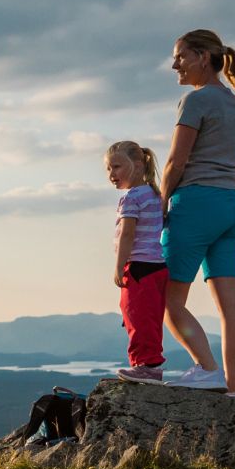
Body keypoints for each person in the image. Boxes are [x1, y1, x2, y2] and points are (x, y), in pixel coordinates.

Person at [160, 29, 235, 395]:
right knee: (232, 307)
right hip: (231, 204)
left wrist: (163, 201)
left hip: (195, 203)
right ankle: (233, 390)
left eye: (180, 56)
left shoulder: (195, 101)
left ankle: (206, 369)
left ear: (202, 57)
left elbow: (175, 160)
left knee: (167, 300)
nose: (175, 65)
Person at [106, 140, 169, 383]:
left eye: (117, 167)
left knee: (136, 316)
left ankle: (146, 366)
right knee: (151, 318)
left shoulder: (130, 198)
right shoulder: (155, 194)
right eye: (109, 169)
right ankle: (149, 363)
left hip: (138, 267)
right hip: (158, 267)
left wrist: (119, 267)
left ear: (138, 165)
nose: (112, 174)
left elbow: (127, 234)